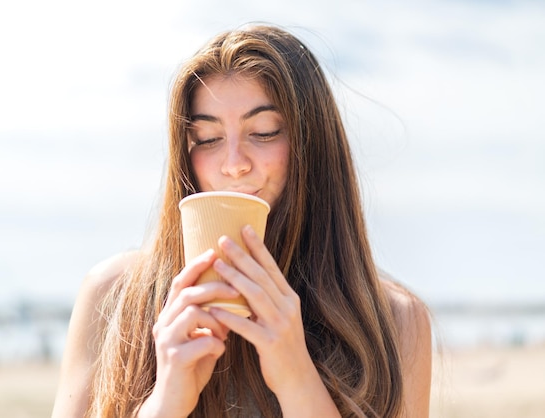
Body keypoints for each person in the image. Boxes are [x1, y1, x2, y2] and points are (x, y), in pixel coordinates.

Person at [51, 23, 432, 418]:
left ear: (312, 146)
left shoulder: (395, 319)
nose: (233, 164)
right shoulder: (113, 295)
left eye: (264, 132)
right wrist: (165, 400)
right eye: (208, 138)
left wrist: (298, 380)